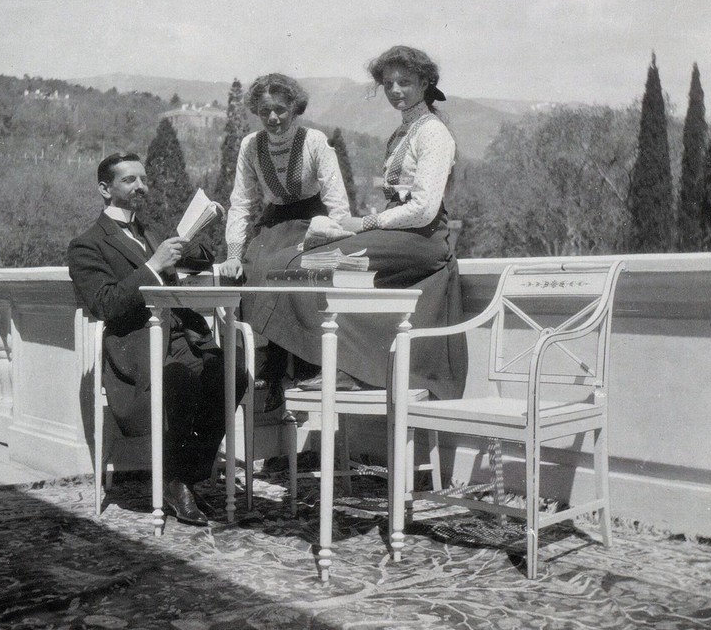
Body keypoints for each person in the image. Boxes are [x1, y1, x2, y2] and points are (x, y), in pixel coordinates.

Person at [250, 46, 468, 400]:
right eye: (388, 83)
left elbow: (424, 210)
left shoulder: (433, 133)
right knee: (285, 264)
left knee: (304, 265)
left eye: (405, 82)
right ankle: (327, 365)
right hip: (396, 236)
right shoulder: (402, 133)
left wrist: (363, 224)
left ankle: (346, 368)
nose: (395, 90)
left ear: (426, 82)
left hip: (421, 240)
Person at [68, 152, 243, 527]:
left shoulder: (150, 230)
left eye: (144, 180)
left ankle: (181, 476)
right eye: (129, 180)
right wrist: (152, 266)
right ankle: (176, 483)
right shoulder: (87, 245)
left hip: (184, 334)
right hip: (137, 345)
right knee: (182, 377)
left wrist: (189, 244)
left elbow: (201, 256)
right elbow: (105, 304)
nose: (141, 187)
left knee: (232, 376)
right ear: (105, 189)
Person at [217, 73, 352, 411]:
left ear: (295, 107)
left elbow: (337, 199)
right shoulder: (251, 145)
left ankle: (306, 363)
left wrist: (337, 234)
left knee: (292, 271)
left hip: (312, 220)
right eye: (265, 112)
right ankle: (271, 367)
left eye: (280, 109)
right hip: (274, 220)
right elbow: (242, 201)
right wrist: (233, 252)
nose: (273, 118)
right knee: (254, 267)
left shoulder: (315, 141)